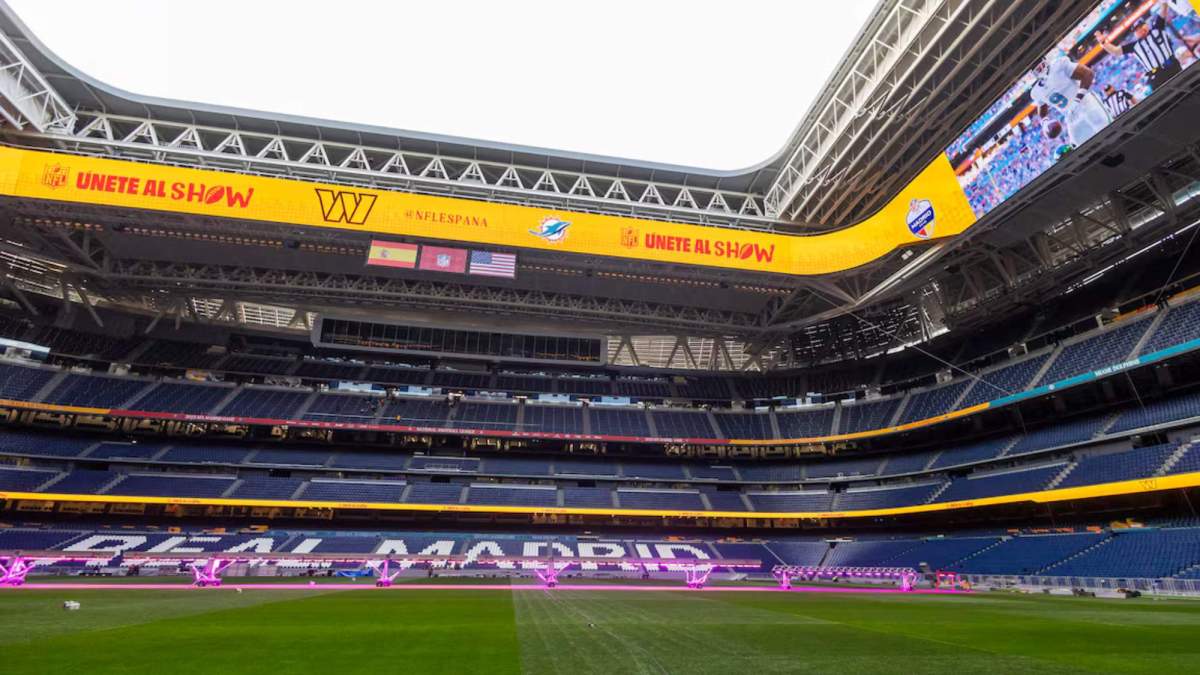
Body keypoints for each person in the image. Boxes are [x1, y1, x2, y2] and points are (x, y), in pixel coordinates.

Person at [1096, 1, 1200, 90]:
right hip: (1156, 75)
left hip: (1172, 66)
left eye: (1140, 27)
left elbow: (1163, 10)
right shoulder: (1134, 46)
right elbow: (1115, 51)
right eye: (1136, 30)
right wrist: (1103, 42)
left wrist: (1163, 2)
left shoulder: (1157, 28)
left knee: (1187, 87)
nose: (1139, 30)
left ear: (1146, 25)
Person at [1029, 54, 1110, 147]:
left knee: (1107, 131)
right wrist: (1045, 122)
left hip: (1086, 104)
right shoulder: (1036, 92)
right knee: (1079, 147)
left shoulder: (1058, 65)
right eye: (1037, 69)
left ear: (1045, 61)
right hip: (1071, 116)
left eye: (1041, 66)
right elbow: (1042, 111)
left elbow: (1088, 74)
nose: (1040, 70)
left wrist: (1077, 100)